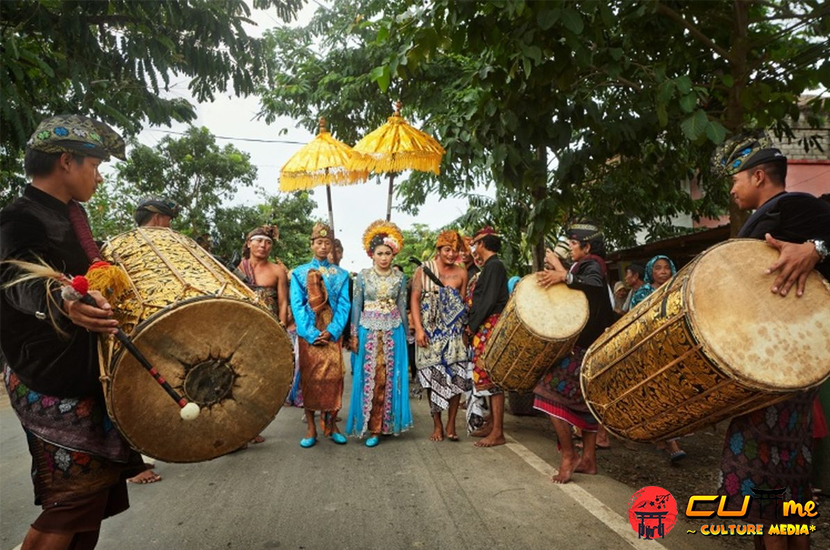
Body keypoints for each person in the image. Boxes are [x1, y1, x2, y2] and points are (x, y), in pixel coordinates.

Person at [0, 114, 144, 550]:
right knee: (71, 503)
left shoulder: (71, 217)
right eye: (95, 166)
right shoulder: (17, 219)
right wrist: (63, 299)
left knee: (93, 497)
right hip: (48, 376)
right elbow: (18, 278)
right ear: (66, 161)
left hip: (80, 372)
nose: (99, 177)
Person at [711, 130, 830, 550]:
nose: (732, 187)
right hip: (779, 363)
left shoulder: (794, 207)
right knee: (788, 478)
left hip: (778, 364)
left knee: (761, 480)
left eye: (736, 179)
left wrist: (817, 248)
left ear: (759, 175)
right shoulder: (773, 213)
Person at [534, 222, 615, 483]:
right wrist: (560, 268)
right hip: (593, 345)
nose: (570, 248)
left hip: (585, 346)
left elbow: (589, 283)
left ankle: (569, 454)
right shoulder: (589, 263)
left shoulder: (593, 265)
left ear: (587, 246)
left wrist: (564, 276)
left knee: (546, 390)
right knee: (584, 401)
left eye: (573, 244)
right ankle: (589, 459)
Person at [125, 197, 180, 484]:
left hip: (146, 325)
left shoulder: (123, 244)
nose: (170, 224)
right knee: (144, 391)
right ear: (158, 218)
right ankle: (137, 463)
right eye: (168, 218)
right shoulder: (164, 244)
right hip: (152, 327)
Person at [345, 221, 413, 446]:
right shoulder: (362, 277)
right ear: (371, 255)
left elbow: (402, 306)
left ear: (394, 254)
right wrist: (353, 335)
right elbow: (356, 306)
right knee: (370, 377)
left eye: (388, 253)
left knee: (390, 378)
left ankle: (387, 424)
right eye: (379, 253)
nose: (384, 257)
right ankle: (372, 426)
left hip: (393, 331)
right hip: (368, 331)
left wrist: (406, 335)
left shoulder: (400, 278)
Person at [289, 222, 351, 448]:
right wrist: (310, 332)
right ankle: (311, 428)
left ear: (332, 246)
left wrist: (334, 330)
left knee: (335, 378)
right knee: (310, 378)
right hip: (309, 333)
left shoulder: (341, 275)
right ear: (312, 245)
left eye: (327, 243)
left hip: (332, 332)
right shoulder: (298, 273)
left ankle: (332, 424)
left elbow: (345, 304)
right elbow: (297, 304)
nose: (323, 246)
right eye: (319, 242)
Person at [411, 230, 469, 442]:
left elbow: (461, 305)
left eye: (455, 250)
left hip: (453, 333)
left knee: (456, 378)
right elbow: (415, 300)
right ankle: (437, 424)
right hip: (429, 332)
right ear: (439, 250)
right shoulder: (423, 270)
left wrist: (463, 332)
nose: (452, 254)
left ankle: (451, 423)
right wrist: (418, 328)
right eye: (447, 249)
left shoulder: (462, 273)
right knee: (432, 378)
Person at [234, 225, 290, 445]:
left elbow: (283, 301)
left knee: (260, 381)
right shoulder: (236, 268)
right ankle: (237, 428)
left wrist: (282, 325)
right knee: (238, 379)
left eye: (267, 242)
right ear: (249, 243)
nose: (262, 246)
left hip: (268, 330)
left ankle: (252, 426)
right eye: (258, 241)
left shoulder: (277, 271)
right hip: (242, 331)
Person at [465, 227, 510, 448]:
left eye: (475, 243)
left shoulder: (494, 266)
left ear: (483, 244)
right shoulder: (491, 267)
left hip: (489, 326)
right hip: (485, 326)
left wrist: (472, 327)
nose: (473, 248)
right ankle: (493, 425)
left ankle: (498, 431)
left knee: (493, 377)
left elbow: (488, 300)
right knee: (487, 376)